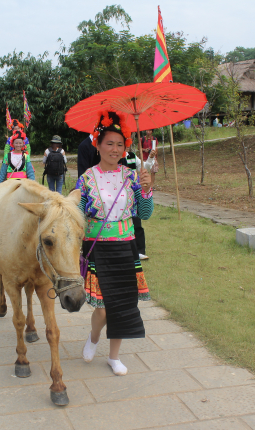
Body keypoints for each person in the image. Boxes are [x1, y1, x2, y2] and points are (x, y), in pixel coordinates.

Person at [77, 110, 154, 376]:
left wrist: (146, 189)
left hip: (125, 247)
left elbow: (144, 214)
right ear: (97, 145)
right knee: (102, 309)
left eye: (120, 144)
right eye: (109, 143)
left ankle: (113, 357)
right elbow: (77, 213)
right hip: (98, 248)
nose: (114, 148)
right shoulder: (87, 178)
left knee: (123, 304)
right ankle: (94, 337)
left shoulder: (132, 176)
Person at [119, 147, 156, 261]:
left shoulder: (131, 156)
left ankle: (139, 250)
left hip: (132, 194)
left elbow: (145, 167)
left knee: (137, 223)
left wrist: (150, 158)